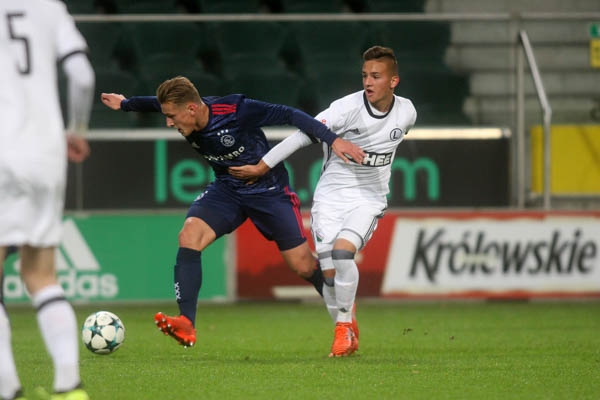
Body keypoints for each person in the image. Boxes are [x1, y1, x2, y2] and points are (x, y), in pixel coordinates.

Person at [100, 76, 365, 349]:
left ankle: (344, 317)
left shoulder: (237, 111)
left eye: (171, 117)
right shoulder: (182, 110)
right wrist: (125, 104)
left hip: (269, 192)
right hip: (227, 191)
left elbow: (290, 114)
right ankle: (186, 322)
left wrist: (333, 140)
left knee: (303, 265)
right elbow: (156, 104)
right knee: (189, 235)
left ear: (191, 109)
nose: (169, 122)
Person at [229, 45, 417, 357]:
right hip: (330, 198)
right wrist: (263, 166)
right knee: (328, 274)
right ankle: (348, 327)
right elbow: (301, 135)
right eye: (364, 76)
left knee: (343, 254)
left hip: (368, 199)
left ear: (393, 81)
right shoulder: (345, 109)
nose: (368, 82)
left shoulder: (407, 112)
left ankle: (342, 328)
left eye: (376, 76)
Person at [0, 0, 95, 399]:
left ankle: (7, 388)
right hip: (45, 150)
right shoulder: (47, 5)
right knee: (41, 274)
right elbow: (82, 75)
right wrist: (77, 129)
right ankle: (69, 385)